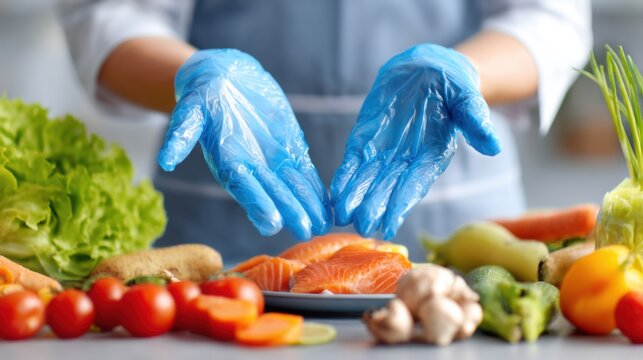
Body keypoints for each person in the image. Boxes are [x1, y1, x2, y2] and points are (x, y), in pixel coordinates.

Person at [59, 1, 592, 264]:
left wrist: (462, 76)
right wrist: (200, 78)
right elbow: (110, 13)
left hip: (454, 223)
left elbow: (551, 16)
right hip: (222, 218)